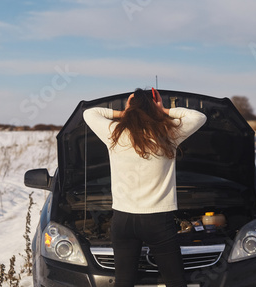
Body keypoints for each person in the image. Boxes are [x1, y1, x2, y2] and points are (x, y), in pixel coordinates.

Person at [83, 88, 206, 287]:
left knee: (124, 282)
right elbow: (198, 117)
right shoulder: (168, 133)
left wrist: (122, 113)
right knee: (175, 282)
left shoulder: (114, 133)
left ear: (130, 107)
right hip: (158, 221)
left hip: (123, 220)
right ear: (152, 109)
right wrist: (163, 110)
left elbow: (89, 113)